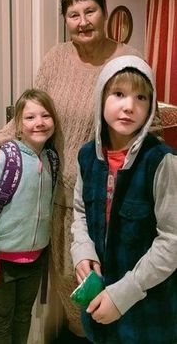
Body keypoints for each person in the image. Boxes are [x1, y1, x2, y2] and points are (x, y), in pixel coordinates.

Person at [0, 0, 142, 342]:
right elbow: (31, 112)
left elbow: (138, 126)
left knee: (103, 283)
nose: (82, 21)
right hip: (55, 195)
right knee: (69, 288)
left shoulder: (127, 60)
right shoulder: (56, 57)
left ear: (103, 11)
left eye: (90, 11)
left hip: (104, 200)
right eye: (73, 14)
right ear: (65, 19)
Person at [71, 55, 177, 344]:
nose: (129, 106)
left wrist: (123, 295)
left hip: (147, 309)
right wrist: (82, 250)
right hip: (98, 300)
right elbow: (80, 211)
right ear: (101, 98)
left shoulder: (162, 162)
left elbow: (172, 241)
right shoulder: (87, 155)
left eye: (141, 97)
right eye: (118, 94)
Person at [0, 88, 58, 344]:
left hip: (34, 261)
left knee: (23, 316)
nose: (39, 122)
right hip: (1, 261)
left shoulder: (51, 159)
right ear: (18, 125)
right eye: (30, 117)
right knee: (0, 322)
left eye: (45, 115)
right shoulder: (3, 157)